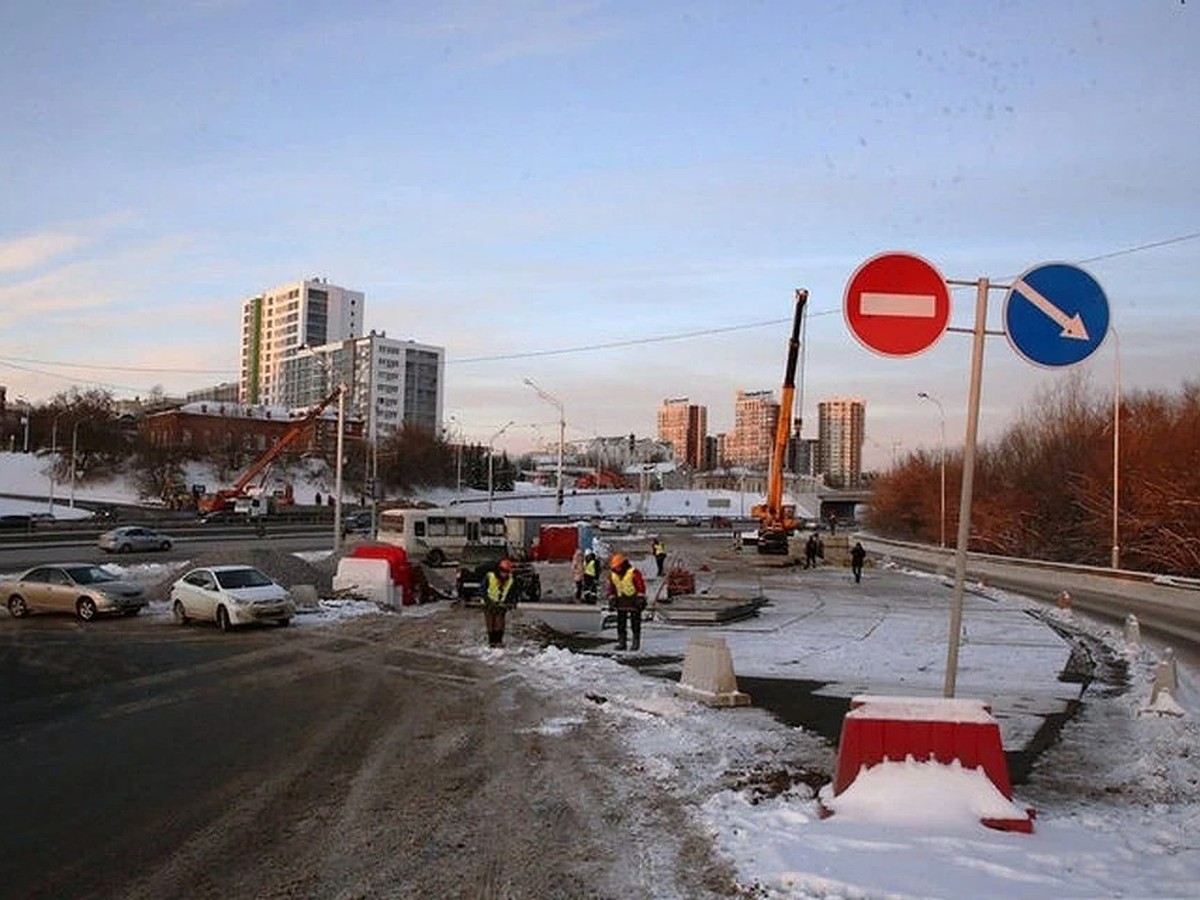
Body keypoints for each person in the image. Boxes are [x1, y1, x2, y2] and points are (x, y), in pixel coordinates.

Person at [607, 553, 647, 651]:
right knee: (621, 624)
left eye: (618, 567)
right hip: (621, 601)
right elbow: (611, 588)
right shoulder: (613, 575)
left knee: (635, 623)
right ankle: (622, 643)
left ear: (622, 564)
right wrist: (612, 599)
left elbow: (640, 586)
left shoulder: (633, 572)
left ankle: (635, 643)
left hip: (634, 601)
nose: (616, 569)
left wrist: (640, 598)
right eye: (615, 567)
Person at [483, 558, 517, 647]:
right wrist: (488, 601)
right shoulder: (490, 576)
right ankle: (491, 641)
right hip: (489, 603)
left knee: (500, 622)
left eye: (507, 572)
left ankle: (499, 641)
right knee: (490, 622)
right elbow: (482, 590)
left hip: (501, 604)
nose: (505, 574)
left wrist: (511, 602)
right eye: (504, 572)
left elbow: (513, 593)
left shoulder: (511, 580)